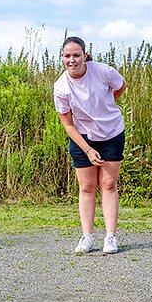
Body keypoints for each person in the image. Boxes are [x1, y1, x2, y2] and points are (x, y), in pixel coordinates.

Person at [53, 36, 126, 254]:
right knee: (86, 187)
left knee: (108, 184)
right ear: (62, 57)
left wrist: (106, 104)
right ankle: (87, 237)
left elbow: (121, 86)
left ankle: (110, 237)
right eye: (67, 56)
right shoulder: (61, 87)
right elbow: (68, 124)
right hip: (82, 136)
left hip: (112, 132)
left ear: (85, 56)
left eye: (76, 55)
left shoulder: (103, 71)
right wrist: (87, 149)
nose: (72, 60)